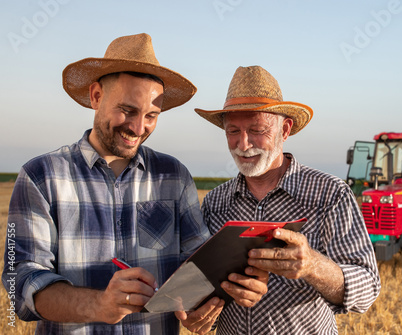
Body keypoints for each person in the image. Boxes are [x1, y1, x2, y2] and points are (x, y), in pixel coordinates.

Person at [2, 34, 267, 335]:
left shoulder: (174, 177)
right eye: (128, 110)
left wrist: (202, 310)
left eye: (152, 115)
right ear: (96, 96)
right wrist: (100, 304)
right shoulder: (41, 177)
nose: (139, 128)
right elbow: (21, 280)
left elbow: (199, 268)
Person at [195, 65, 381, 334]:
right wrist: (197, 314)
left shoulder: (330, 194)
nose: (244, 144)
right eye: (233, 131)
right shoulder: (215, 203)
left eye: (257, 129)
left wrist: (313, 266)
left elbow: (368, 289)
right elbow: (202, 288)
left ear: (285, 130)